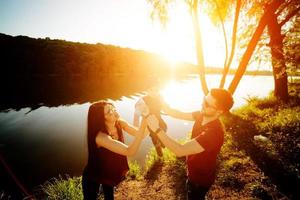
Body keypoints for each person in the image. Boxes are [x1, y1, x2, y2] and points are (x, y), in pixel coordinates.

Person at [146, 88, 234, 200]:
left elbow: (180, 150)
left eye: (207, 103)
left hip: (200, 180)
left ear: (219, 111)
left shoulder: (214, 134)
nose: (202, 104)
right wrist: (159, 99)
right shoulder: (202, 114)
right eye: (204, 99)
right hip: (193, 172)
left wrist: (157, 129)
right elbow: (176, 113)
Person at [82, 101, 147, 200]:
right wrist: (145, 119)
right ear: (101, 118)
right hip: (93, 173)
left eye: (112, 108)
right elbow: (130, 151)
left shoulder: (119, 122)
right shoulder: (100, 137)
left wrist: (142, 115)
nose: (114, 111)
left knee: (109, 196)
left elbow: (141, 134)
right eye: (109, 112)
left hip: (109, 170)